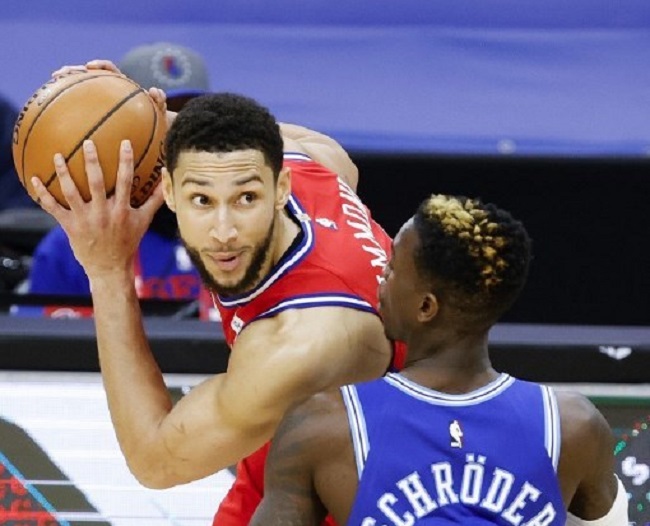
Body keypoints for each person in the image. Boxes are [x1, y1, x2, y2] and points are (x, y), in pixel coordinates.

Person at [32, 62, 402, 526]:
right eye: (202, 200)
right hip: (299, 436)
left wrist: (107, 272)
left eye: (245, 199)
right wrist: (139, 118)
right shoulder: (310, 161)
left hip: (373, 482)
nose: (223, 232)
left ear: (278, 187)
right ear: (168, 189)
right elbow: (333, 158)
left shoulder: (300, 343)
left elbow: (156, 461)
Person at [250, 194, 628, 525]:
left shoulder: (323, 426)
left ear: (425, 307)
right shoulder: (574, 425)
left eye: (392, 268)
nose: (380, 275)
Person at [17, 43, 211, 317]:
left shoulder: (234, 227)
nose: (175, 137)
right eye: (157, 121)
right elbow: (41, 353)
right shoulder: (70, 245)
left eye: (187, 118)